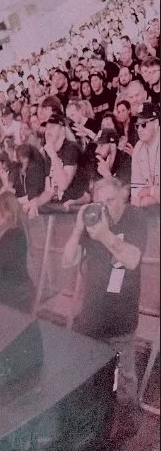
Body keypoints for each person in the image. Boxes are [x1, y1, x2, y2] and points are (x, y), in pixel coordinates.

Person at [61, 177, 147, 441]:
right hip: (91, 316)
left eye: (110, 200)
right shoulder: (93, 220)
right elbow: (67, 262)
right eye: (100, 202)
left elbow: (132, 259)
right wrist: (78, 229)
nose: (105, 208)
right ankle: (95, 426)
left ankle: (130, 426)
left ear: (123, 197)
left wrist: (105, 235)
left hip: (120, 319)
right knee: (88, 377)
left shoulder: (134, 218)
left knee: (125, 380)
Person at [128, 102, 159, 206]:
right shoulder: (138, 148)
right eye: (137, 126)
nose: (139, 130)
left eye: (144, 124)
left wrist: (149, 193)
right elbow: (136, 193)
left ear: (156, 124)